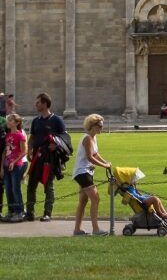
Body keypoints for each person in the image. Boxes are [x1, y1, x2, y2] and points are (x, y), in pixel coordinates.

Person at [26, 92, 66, 222]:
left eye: (38, 102)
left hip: (50, 158)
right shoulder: (36, 121)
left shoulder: (57, 120)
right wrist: (29, 149)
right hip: (37, 157)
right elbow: (32, 137)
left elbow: (65, 138)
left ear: (44, 104)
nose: (35, 104)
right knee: (31, 185)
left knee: (48, 185)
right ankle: (30, 213)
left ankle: (47, 213)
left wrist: (56, 145)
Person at [72, 114, 111, 236]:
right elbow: (89, 157)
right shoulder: (87, 138)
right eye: (99, 126)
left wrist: (105, 162)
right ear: (92, 126)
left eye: (102, 126)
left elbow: (95, 154)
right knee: (96, 199)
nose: (101, 128)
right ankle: (96, 229)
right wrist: (104, 166)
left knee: (83, 201)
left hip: (86, 172)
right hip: (82, 172)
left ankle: (77, 230)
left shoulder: (93, 138)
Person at [2, 113, 28, 222]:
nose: (8, 122)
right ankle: (11, 211)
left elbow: (24, 151)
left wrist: (14, 162)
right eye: (8, 120)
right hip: (7, 165)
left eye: (11, 120)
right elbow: (5, 151)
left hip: (17, 165)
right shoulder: (7, 135)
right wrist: (2, 167)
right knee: (8, 189)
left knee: (15, 188)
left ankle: (20, 211)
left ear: (17, 123)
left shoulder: (20, 135)